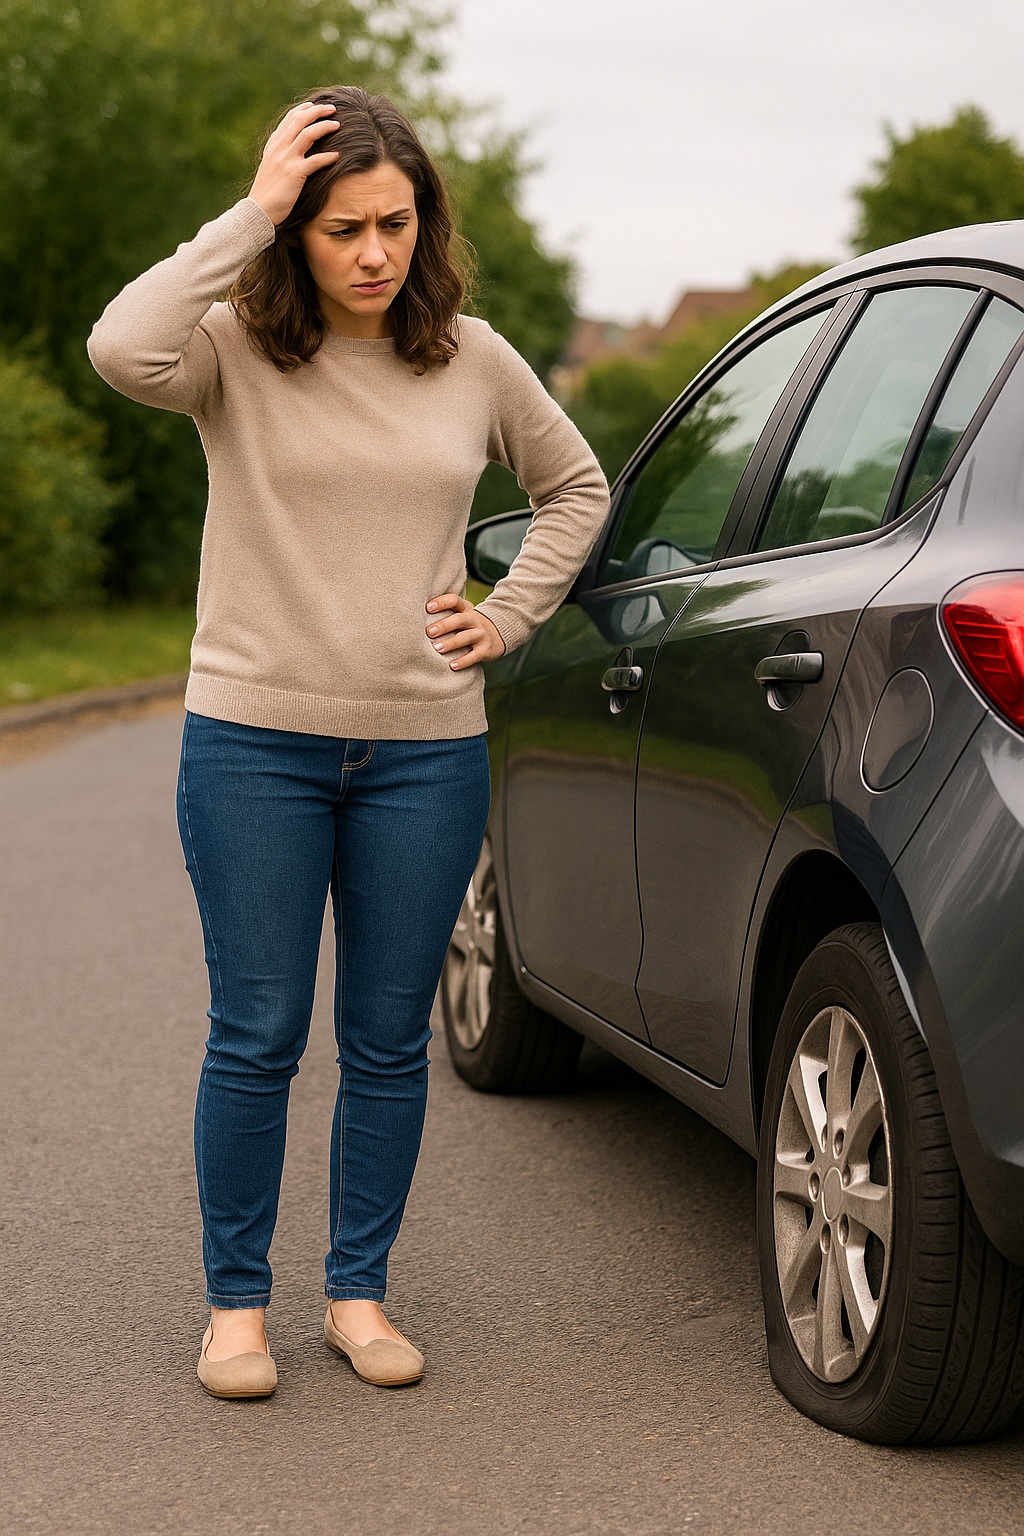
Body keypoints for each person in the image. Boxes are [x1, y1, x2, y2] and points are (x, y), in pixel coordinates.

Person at [87, 84, 609, 1399]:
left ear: (424, 224)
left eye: (394, 223)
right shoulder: (231, 350)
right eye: (337, 229)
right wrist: (250, 213)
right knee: (258, 1032)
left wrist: (507, 616)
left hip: (425, 752)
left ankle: (358, 1296)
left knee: (385, 1040)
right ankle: (236, 1309)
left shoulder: (473, 358)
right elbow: (116, 348)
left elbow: (577, 486)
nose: (373, 252)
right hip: (252, 743)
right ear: (295, 234)